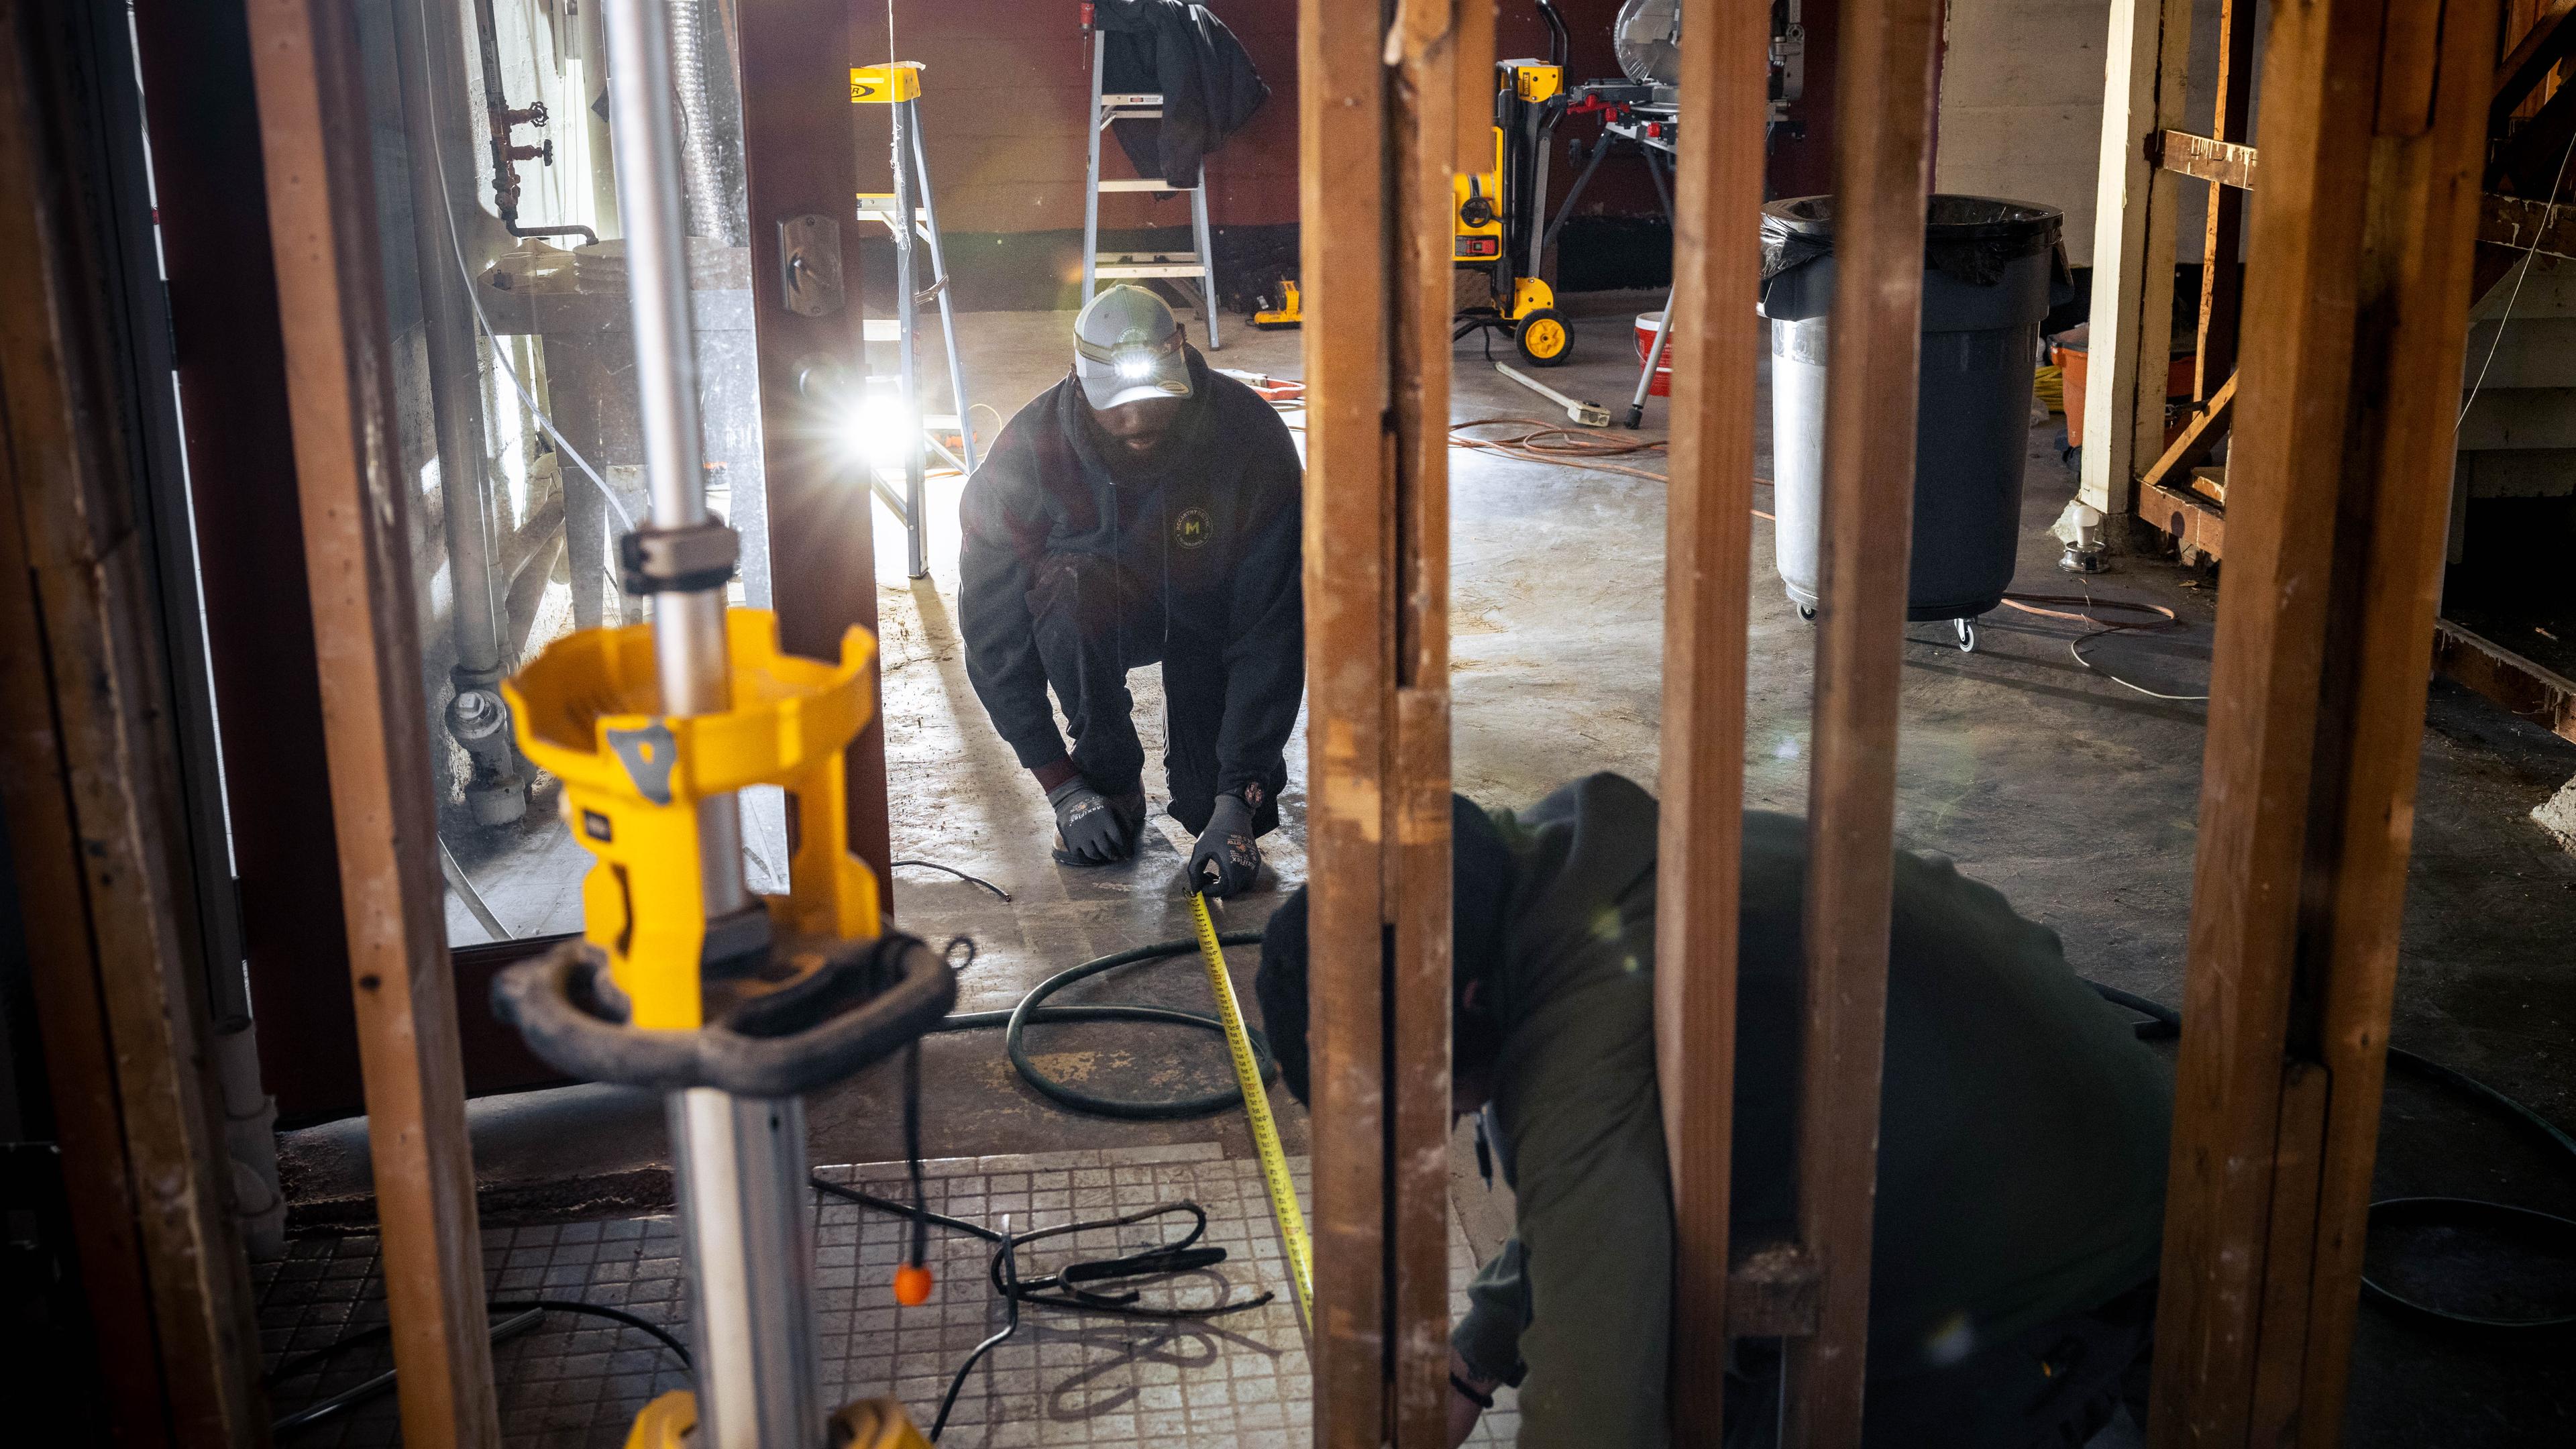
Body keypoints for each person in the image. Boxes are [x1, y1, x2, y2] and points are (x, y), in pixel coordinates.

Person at [1254, 775, 2174, 1448]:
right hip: (2031, 1126)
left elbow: (1597, 1405)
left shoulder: (1588, 1025)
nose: (1439, 1133)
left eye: (1425, 1111)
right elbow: (1598, 1199)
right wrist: (1472, 1361)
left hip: (2063, 1259)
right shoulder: (1547, 883)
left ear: (1465, 1005)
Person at [958, 286, 1303, 896]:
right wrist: (1062, 785)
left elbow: (1273, 626)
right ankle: (1109, 773)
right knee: (1065, 590)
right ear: (1078, 379)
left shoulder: (1251, 439)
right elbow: (994, 640)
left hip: (1210, 619)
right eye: (1115, 404)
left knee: (1210, 800)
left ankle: (1216, 784)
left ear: (1182, 357)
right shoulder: (1024, 458)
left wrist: (1240, 795)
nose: (1138, 421)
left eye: (1155, 396)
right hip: (1100, 616)